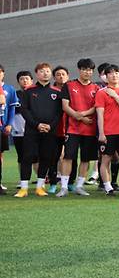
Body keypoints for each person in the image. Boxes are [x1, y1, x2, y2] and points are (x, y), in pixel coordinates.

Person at [16, 62, 63, 198]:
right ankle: (23, 188)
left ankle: (40, 187)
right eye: (42, 71)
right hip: (32, 131)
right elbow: (25, 111)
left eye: (47, 71)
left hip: (50, 131)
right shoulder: (29, 91)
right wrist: (37, 125)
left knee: (46, 157)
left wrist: (50, 126)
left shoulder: (56, 92)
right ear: (37, 74)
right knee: (27, 157)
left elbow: (59, 113)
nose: (45, 73)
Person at [57, 59, 100, 197]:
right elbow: (65, 106)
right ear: (79, 70)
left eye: (90, 70)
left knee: (86, 159)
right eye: (85, 69)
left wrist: (84, 114)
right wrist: (80, 117)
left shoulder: (96, 88)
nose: (88, 72)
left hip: (90, 130)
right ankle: (63, 187)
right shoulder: (69, 86)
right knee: (68, 157)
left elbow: (96, 107)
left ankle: (80, 186)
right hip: (73, 129)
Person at [95, 64, 119, 195]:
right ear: (106, 77)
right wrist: (101, 133)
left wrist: (115, 96)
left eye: (117, 73)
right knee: (105, 160)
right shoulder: (101, 93)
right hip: (108, 132)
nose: (114, 75)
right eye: (111, 73)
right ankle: (107, 187)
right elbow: (99, 114)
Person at [7, 71, 33, 195]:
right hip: (18, 132)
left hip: (33, 130)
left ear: (31, 80)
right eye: (22, 79)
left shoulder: (35, 93)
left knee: (36, 156)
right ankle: (22, 179)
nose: (25, 81)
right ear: (18, 81)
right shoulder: (15, 94)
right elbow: (12, 110)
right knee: (21, 156)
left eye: (27, 78)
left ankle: (42, 180)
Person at [0, 64, 20, 194]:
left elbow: (12, 107)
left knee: (0, 154)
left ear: (3, 73)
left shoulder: (9, 89)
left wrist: (9, 123)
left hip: (2, 126)